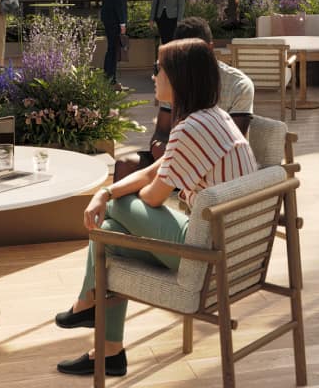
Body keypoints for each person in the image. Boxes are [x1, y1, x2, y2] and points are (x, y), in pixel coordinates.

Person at [54, 38, 258, 377]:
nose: (153, 77)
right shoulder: (214, 117)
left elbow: (151, 196)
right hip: (234, 252)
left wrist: (107, 196)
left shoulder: (190, 129)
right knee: (108, 235)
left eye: (158, 70)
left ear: (179, 78)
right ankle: (108, 351)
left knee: (117, 214)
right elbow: (159, 168)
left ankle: (89, 302)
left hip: (207, 260)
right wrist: (107, 192)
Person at [112, 16, 256, 181]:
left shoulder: (238, 85)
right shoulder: (174, 81)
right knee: (124, 165)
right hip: (176, 159)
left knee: (126, 191)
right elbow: (161, 133)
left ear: (209, 49)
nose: (155, 76)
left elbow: (228, 145)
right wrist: (164, 155)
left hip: (211, 170)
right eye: (180, 55)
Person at [100, 0, 128, 85]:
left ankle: (108, 77)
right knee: (113, 49)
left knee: (111, 47)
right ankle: (111, 79)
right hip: (115, 19)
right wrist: (123, 22)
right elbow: (119, 1)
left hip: (107, 17)